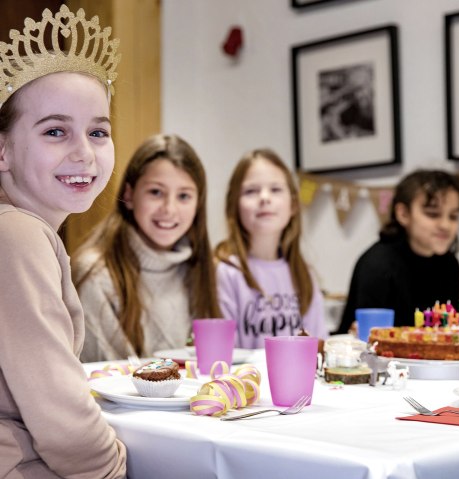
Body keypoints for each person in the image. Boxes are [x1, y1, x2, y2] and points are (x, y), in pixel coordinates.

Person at [0, 6, 126, 477]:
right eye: (56, 131)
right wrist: (111, 468)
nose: (83, 152)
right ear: (3, 150)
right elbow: (57, 412)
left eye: (98, 131)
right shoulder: (17, 234)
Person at [72, 133, 221, 362]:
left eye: (184, 196)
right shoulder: (96, 273)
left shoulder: (200, 269)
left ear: (198, 203)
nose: (169, 209)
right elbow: (107, 381)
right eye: (156, 192)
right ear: (129, 195)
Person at [215, 148, 328, 348]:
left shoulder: (304, 275)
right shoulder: (226, 273)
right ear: (235, 205)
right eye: (251, 191)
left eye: (275, 189)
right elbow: (223, 356)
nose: (264, 198)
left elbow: (317, 346)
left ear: (293, 205)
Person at [337, 169, 459, 333]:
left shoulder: (450, 264)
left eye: (453, 216)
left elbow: (449, 331)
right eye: (432, 214)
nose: (445, 225)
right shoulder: (378, 264)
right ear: (403, 214)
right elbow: (368, 339)